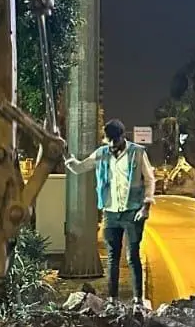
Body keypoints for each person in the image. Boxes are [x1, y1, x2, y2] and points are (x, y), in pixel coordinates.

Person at [66, 118, 155, 306]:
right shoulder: (101, 153)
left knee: (133, 256)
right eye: (109, 141)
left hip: (133, 212)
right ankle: (113, 299)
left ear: (123, 136)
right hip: (110, 212)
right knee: (113, 258)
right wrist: (67, 158)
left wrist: (146, 205)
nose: (112, 145)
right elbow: (80, 168)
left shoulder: (138, 153)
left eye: (115, 140)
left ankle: (138, 299)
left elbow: (149, 180)